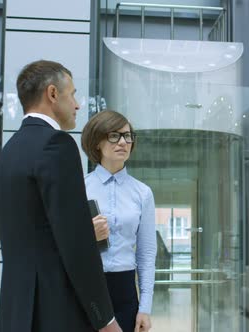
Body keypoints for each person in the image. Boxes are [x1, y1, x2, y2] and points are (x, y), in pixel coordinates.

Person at [0, 60, 122, 332]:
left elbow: (33, 233)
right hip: (55, 312)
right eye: (72, 94)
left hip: (15, 312)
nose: (77, 104)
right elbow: (75, 244)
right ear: (52, 94)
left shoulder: (8, 152)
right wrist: (105, 319)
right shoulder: (57, 145)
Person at [81, 110, 157, 332]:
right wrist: (88, 234)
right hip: (87, 287)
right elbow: (63, 245)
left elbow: (146, 254)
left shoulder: (142, 193)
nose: (123, 142)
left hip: (125, 292)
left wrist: (145, 308)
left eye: (128, 136)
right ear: (97, 142)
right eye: (114, 136)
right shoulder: (78, 187)